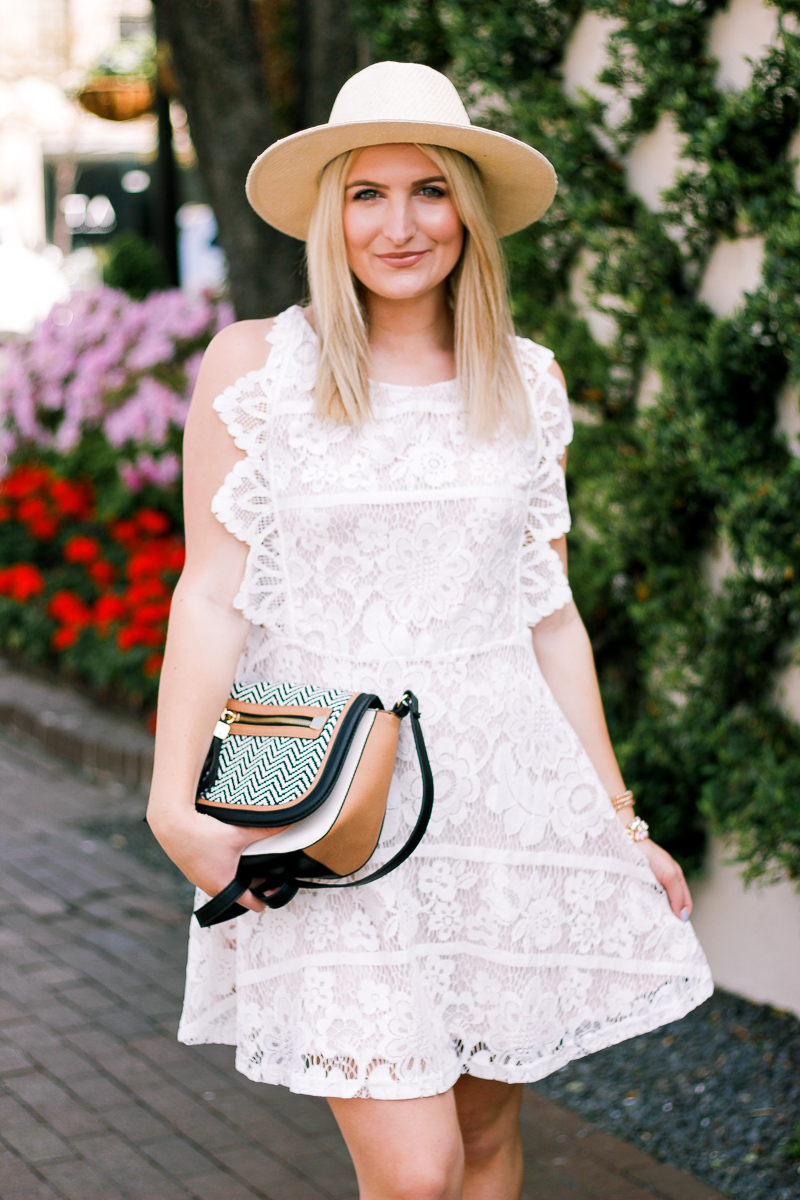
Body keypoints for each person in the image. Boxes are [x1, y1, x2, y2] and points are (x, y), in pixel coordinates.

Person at [147, 61, 713, 1200]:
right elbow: (211, 591)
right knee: (415, 1173)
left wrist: (618, 817)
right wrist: (174, 799)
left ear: (468, 208)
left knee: (490, 1143)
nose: (398, 224)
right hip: (326, 798)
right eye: (366, 193)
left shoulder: (527, 379)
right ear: (328, 214)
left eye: (427, 191)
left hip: (502, 800)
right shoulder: (257, 366)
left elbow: (548, 618)